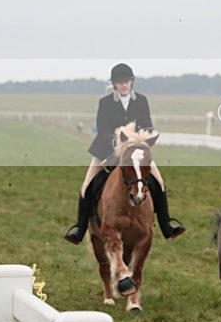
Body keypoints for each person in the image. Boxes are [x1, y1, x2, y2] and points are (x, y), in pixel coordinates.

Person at [64, 63, 186, 244]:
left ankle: (167, 224)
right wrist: (117, 141)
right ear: (114, 84)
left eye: (127, 82)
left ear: (131, 83)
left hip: (135, 151)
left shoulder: (141, 101)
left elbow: (147, 124)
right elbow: (103, 129)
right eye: (120, 82)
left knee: (158, 182)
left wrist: (144, 136)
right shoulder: (105, 102)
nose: (124, 85)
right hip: (108, 150)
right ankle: (80, 228)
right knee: (88, 184)